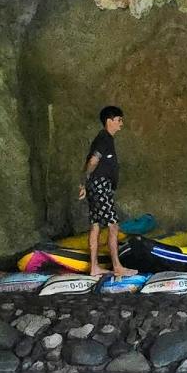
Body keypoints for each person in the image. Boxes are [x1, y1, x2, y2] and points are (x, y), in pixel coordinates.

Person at [77, 106, 129, 277]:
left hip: (95, 185)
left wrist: (85, 183)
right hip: (100, 186)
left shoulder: (105, 138)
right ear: (109, 121)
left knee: (95, 225)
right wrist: (86, 179)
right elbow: (93, 160)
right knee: (113, 226)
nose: (121, 123)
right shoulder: (104, 138)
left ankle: (94, 268)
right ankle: (117, 267)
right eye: (119, 119)